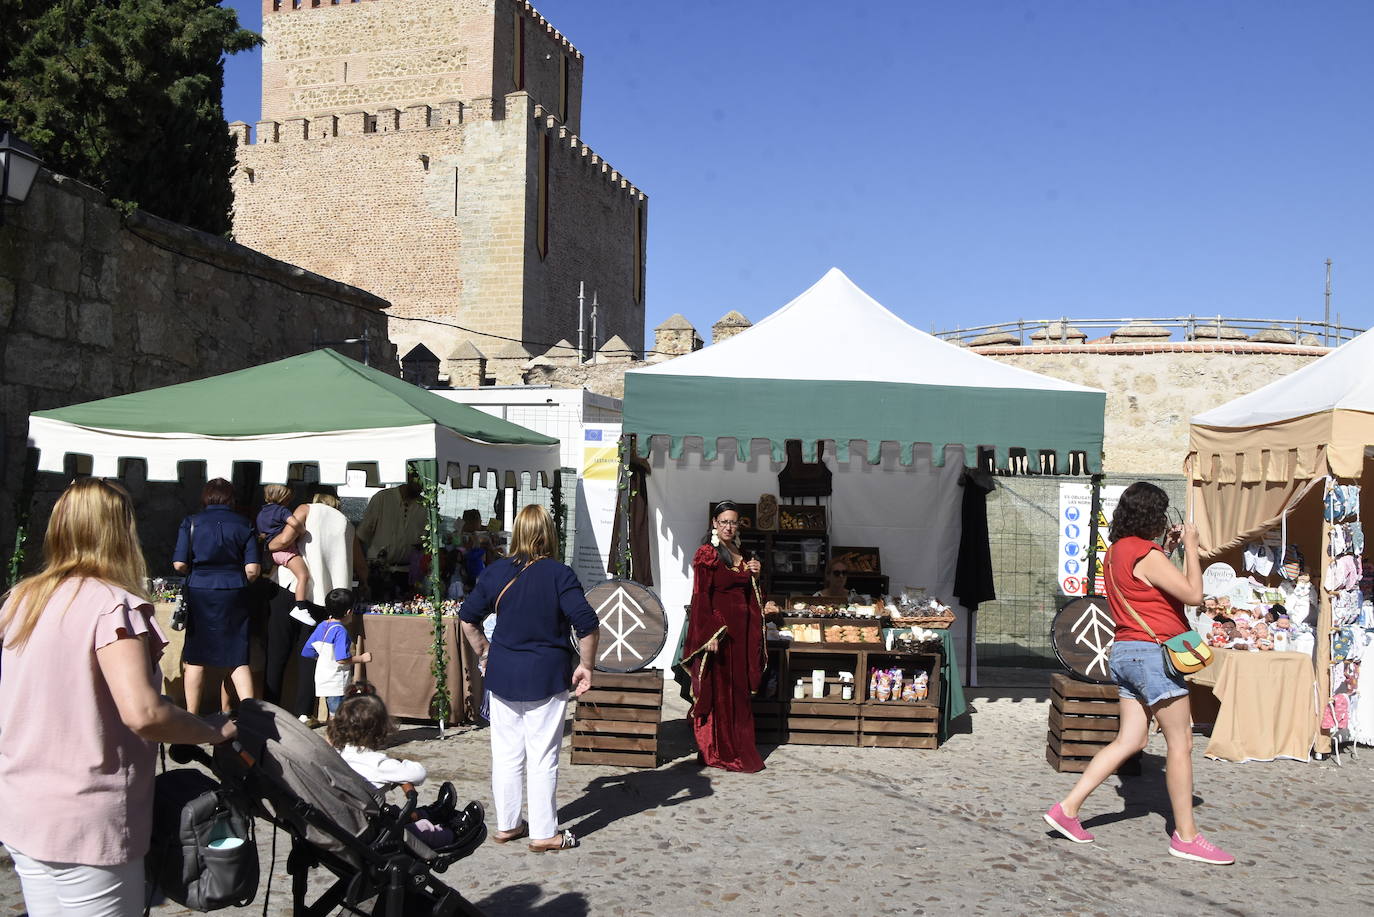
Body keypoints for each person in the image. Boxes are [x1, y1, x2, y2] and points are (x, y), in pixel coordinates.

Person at [0, 478, 236, 916]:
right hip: (88, 818)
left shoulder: (20, 600)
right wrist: (210, 730)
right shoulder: (112, 606)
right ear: (122, 530)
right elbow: (144, 713)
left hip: (23, 809)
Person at [1043, 481, 1234, 865]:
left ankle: (1068, 808)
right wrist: (1193, 550)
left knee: (1130, 740)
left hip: (1125, 651)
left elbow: (1145, 590)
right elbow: (1193, 595)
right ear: (1154, 515)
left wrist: (1173, 551)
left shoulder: (1116, 552)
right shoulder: (1148, 553)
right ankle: (1186, 835)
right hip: (1153, 655)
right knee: (1181, 743)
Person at [459, 504, 600, 853]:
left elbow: (467, 618)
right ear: (549, 533)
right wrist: (586, 665)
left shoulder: (495, 572)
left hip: (503, 672)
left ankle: (507, 825)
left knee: (506, 754)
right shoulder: (559, 574)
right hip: (546, 674)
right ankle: (543, 833)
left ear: (518, 533)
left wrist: (485, 652)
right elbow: (587, 623)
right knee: (542, 756)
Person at [677, 499, 767, 773]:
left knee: (738, 691)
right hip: (720, 632)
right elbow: (701, 596)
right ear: (714, 524)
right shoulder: (708, 554)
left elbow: (748, 592)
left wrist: (756, 575)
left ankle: (740, 744)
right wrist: (708, 633)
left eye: (733, 522)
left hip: (741, 633)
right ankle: (717, 749)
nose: (728, 526)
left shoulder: (743, 553)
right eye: (724, 521)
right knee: (720, 691)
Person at [264, 490, 366, 719]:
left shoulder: (306, 509)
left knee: (277, 651)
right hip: (325, 598)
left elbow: (285, 539)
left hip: (289, 589)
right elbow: (360, 563)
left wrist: (267, 544)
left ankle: (270, 707)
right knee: (310, 656)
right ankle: (304, 712)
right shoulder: (346, 523)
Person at [327, 686, 456, 848]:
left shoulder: (337, 756)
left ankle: (434, 812)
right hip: (372, 832)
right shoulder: (378, 763)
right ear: (380, 730)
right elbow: (418, 774)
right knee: (422, 831)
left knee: (392, 812)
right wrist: (400, 762)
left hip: (348, 824)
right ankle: (454, 833)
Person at [173, 477, 261, 715]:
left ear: (206, 497)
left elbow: (179, 564)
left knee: (195, 655)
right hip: (235, 589)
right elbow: (252, 569)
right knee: (237, 655)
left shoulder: (191, 522)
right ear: (231, 498)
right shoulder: (245, 523)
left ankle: (192, 714)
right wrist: (239, 581)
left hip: (199, 589)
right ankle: (251, 715)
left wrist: (196, 573)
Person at [301, 588, 372, 720]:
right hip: (336, 681)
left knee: (334, 713)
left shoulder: (322, 625)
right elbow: (342, 659)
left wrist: (324, 658)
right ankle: (337, 739)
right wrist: (361, 658)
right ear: (348, 612)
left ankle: (333, 738)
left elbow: (307, 651)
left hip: (323, 678)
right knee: (339, 716)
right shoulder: (340, 631)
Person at [357, 467, 427, 599]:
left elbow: (425, 544)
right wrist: (361, 571)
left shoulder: (425, 506)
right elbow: (361, 536)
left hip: (408, 574)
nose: (422, 486)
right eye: (420, 481)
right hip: (378, 572)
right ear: (409, 477)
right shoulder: (382, 498)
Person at [257, 483, 313, 625]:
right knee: (303, 575)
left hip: (273, 552)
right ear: (284, 498)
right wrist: (302, 531)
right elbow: (294, 522)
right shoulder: (282, 511)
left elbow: (262, 533)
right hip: (285, 551)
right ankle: (300, 607)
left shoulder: (262, 513)